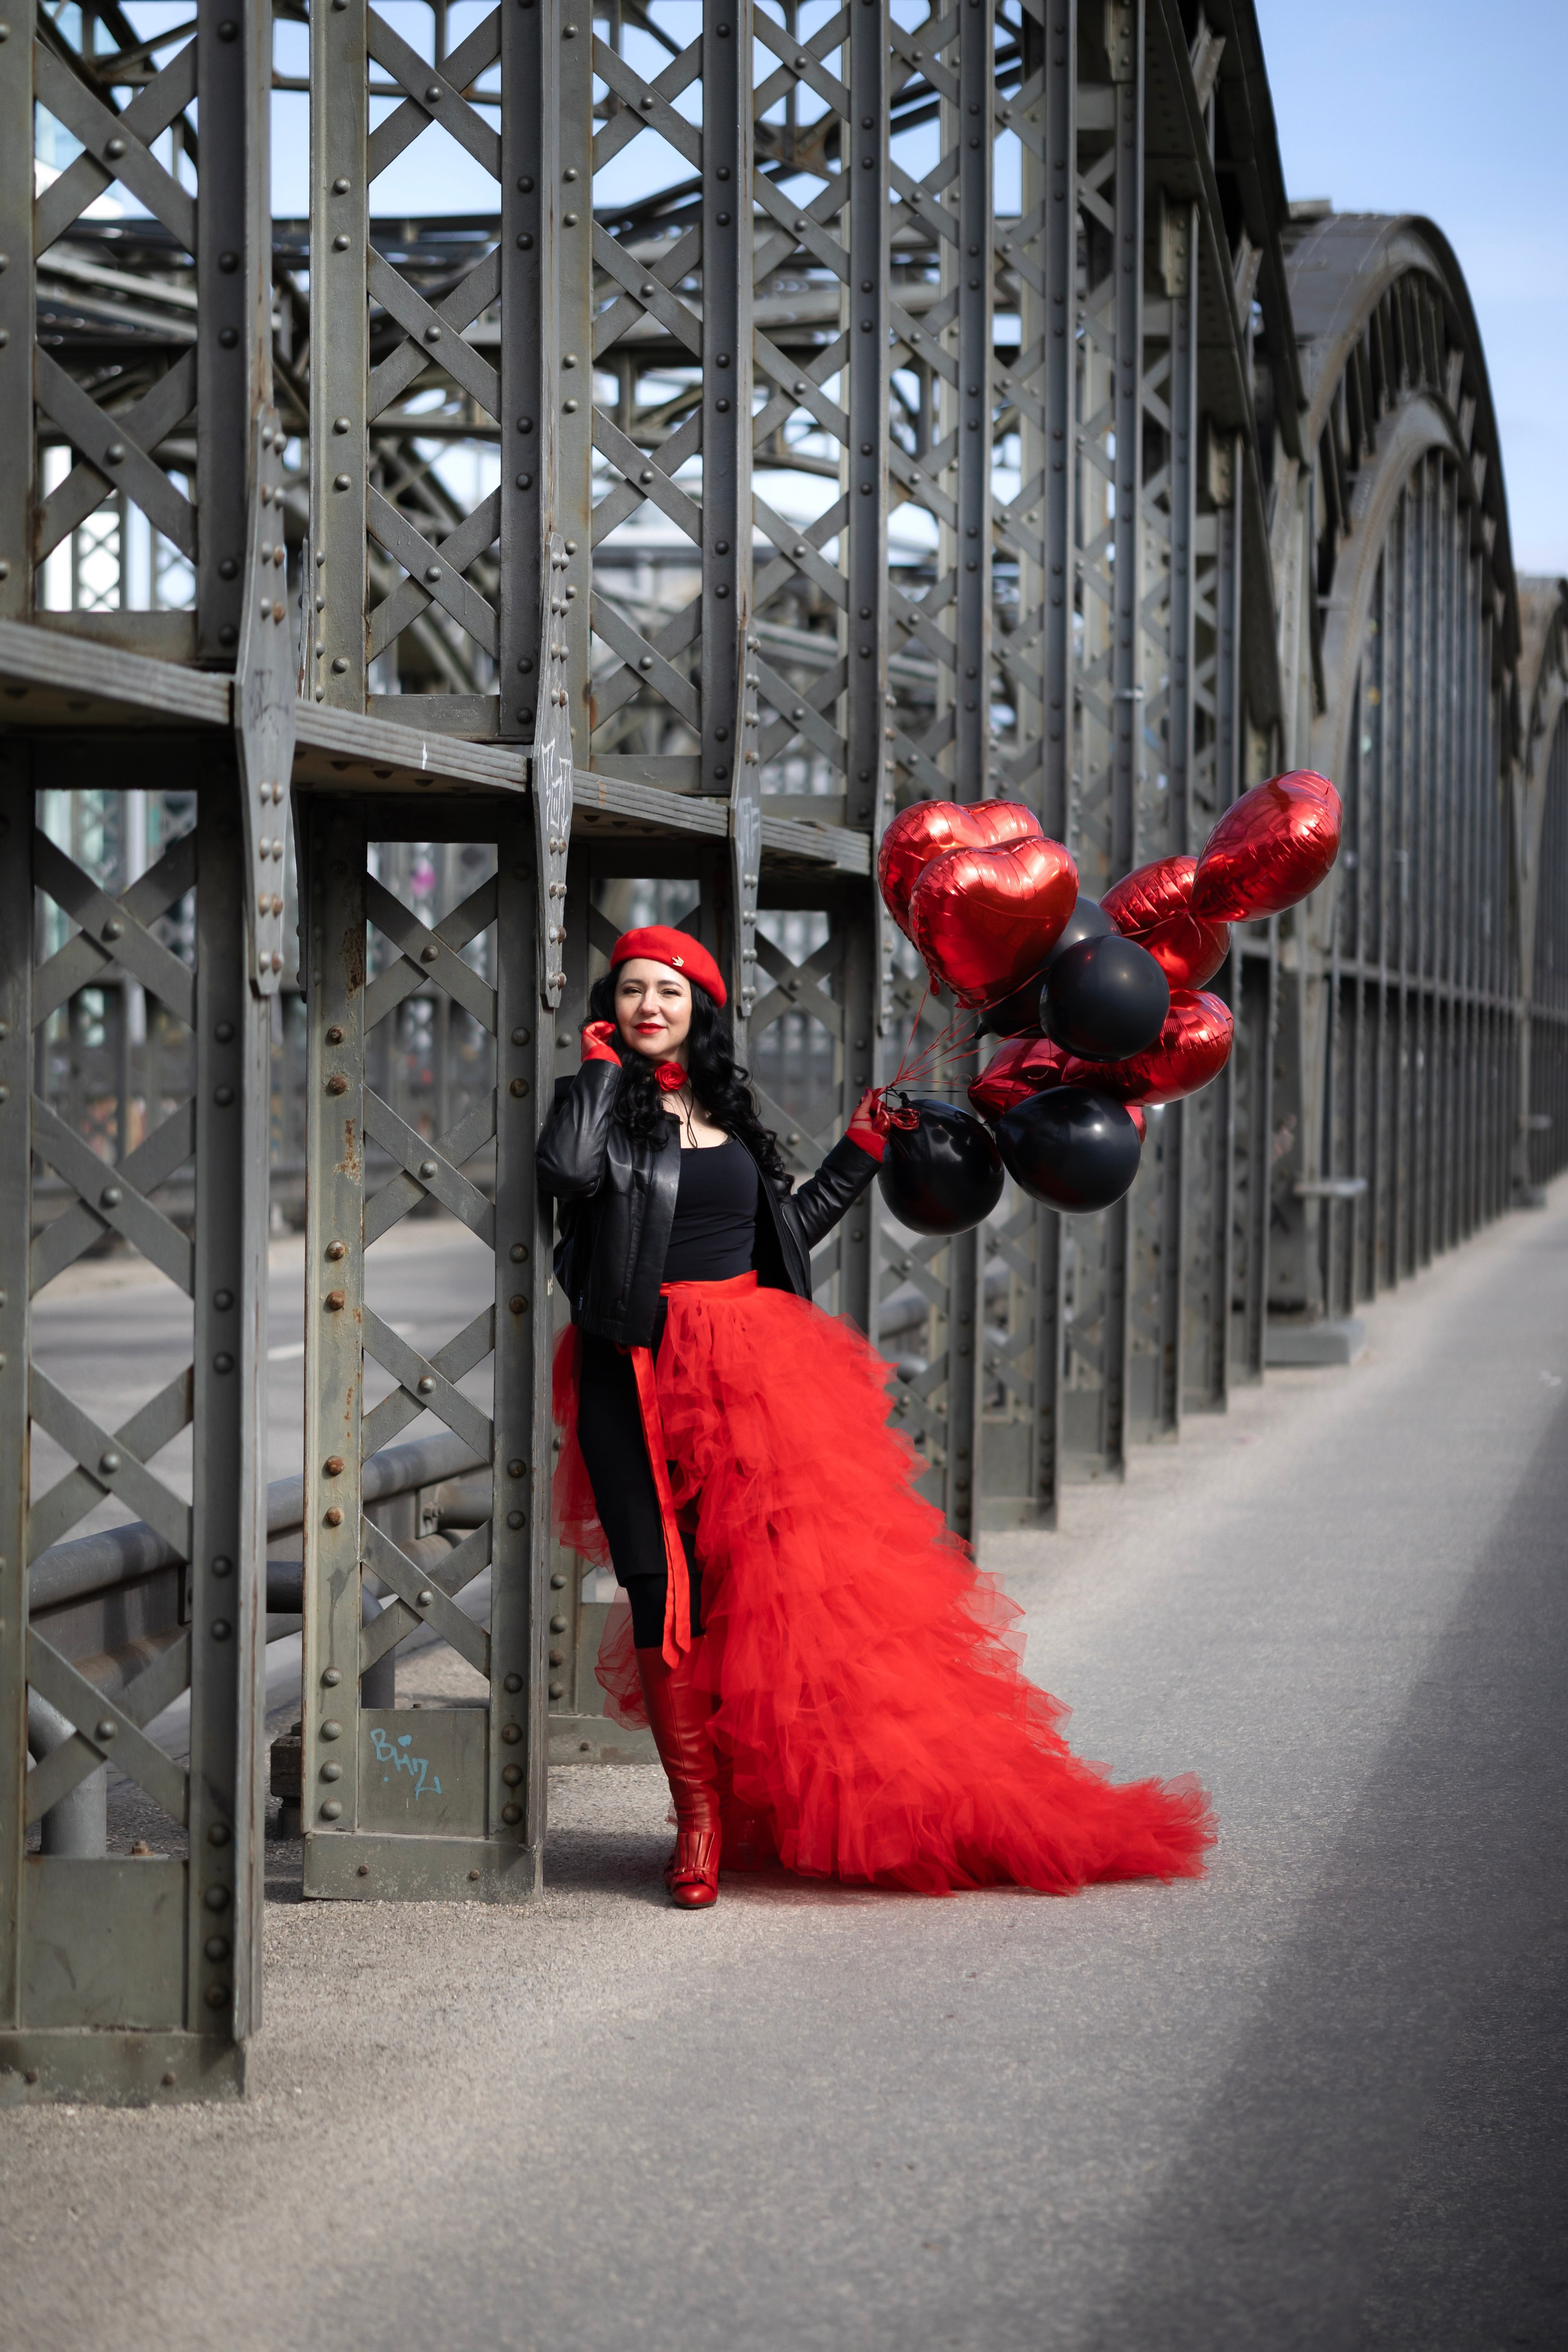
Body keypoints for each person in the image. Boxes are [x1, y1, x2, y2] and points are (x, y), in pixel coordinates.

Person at [537, 924, 1213, 1909]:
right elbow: (563, 1176)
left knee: (773, 1598)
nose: (649, 1007)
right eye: (632, 992)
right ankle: (699, 1823)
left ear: (701, 1014)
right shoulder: (595, 1110)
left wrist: (858, 1155)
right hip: (633, 1376)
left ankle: (801, 1791)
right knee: (661, 1592)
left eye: (670, 994)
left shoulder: (728, 1113)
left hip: (755, 1377)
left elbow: (784, 1240)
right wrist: (596, 1076)